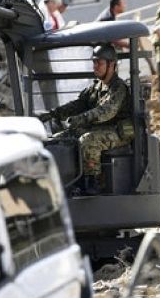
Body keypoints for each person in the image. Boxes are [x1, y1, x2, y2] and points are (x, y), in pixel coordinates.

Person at [36, 43, 133, 195]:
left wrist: (80, 119)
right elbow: (78, 104)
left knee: (88, 140)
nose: (95, 66)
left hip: (118, 132)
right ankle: (61, 180)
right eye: (94, 62)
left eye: (99, 63)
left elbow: (106, 112)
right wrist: (53, 113)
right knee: (58, 139)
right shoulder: (96, 87)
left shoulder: (118, 88)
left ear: (111, 64)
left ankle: (91, 182)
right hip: (100, 129)